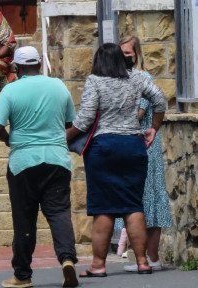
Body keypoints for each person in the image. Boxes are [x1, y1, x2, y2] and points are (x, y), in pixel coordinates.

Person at [66, 43, 167, 278]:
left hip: (104, 148)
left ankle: (98, 265)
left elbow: (86, 118)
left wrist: (65, 138)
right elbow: (160, 99)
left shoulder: (95, 80)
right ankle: (142, 261)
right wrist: (154, 128)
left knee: (104, 208)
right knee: (133, 205)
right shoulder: (137, 79)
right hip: (133, 145)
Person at [0, 46, 79, 288]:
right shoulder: (59, 86)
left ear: (17, 68)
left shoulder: (10, 90)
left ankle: (22, 275)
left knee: (24, 219)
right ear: (39, 64)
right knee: (59, 213)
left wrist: (9, 139)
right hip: (57, 160)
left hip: (23, 164)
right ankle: (67, 260)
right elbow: (70, 122)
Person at [118, 35, 173, 272]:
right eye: (121, 54)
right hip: (137, 144)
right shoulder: (127, 79)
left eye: (128, 53)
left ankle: (150, 257)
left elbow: (138, 113)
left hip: (144, 144)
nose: (124, 58)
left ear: (137, 54)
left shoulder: (142, 78)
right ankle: (148, 257)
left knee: (145, 199)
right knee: (144, 199)